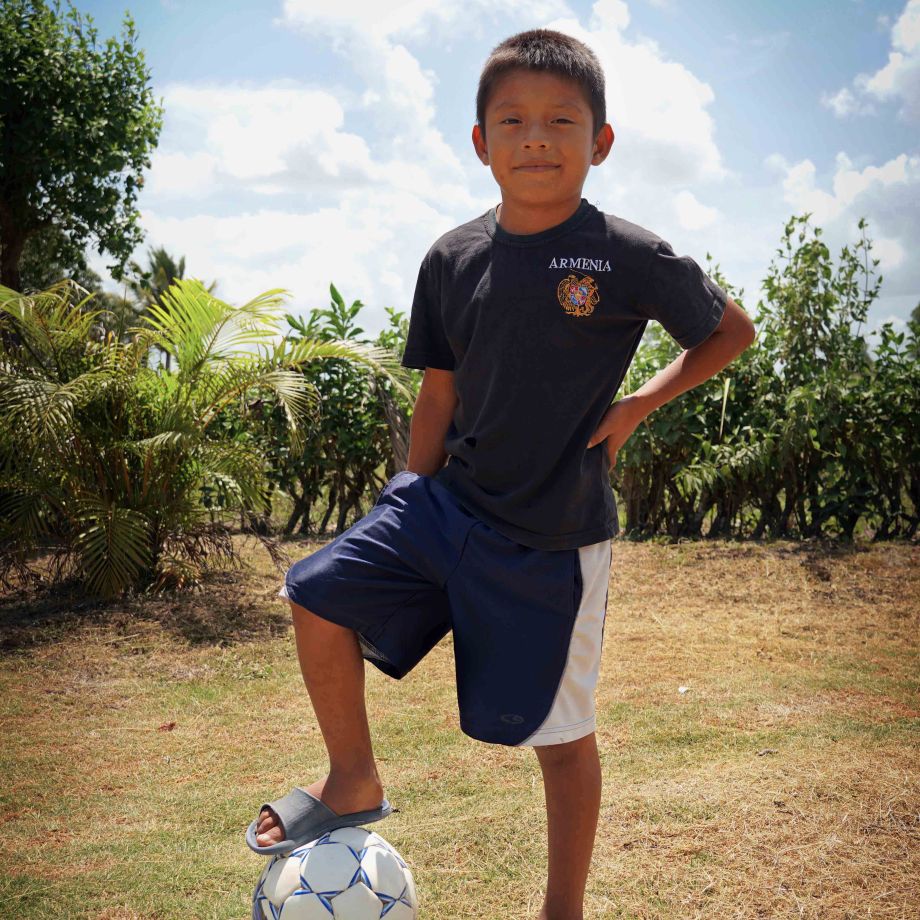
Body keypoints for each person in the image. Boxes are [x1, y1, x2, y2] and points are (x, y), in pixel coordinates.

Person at [247, 27, 756, 920]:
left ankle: (563, 909)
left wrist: (638, 404)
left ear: (601, 142)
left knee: (560, 735)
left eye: (562, 121)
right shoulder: (452, 257)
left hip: (555, 535)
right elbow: (438, 393)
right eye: (513, 121)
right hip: (446, 505)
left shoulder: (626, 254)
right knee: (315, 592)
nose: (536, 139)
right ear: (481, 143)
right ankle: (353, 777)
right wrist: (407, 495)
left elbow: (730, 331)